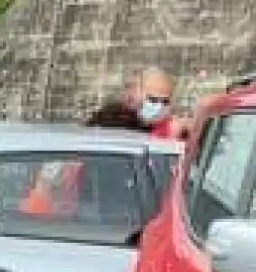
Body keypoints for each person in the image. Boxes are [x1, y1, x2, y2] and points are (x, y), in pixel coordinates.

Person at [25, 67, 185, 216]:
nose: (159, 106)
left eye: (165, 102)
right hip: (96, 216)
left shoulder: (171, 134)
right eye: (153, 99)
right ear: (134, 94)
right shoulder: (110, 124)